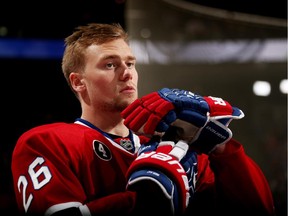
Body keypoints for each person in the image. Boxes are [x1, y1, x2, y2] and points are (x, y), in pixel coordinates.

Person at [11, 23, 275, 216]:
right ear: (78, 82)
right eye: (110, 64)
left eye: (130, 63)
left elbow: (259, 209)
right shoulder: (46, 142)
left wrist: (222, 149)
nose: (127, 74)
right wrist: (141, 202)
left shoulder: (172, 145)